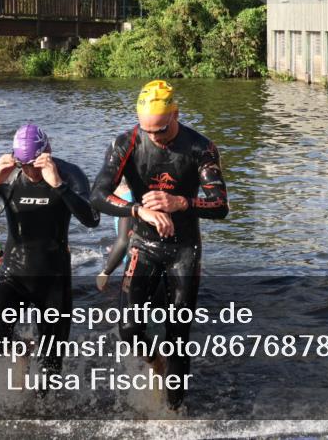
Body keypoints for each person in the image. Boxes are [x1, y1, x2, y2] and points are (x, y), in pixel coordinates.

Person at [90, 80, 229, 410]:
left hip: (184, 250)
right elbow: (97, 195)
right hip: (143, 244)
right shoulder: (127, 143)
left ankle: (173, 414)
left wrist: (180, 202)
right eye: (148, 130)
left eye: (161, 130)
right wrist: (138, 210)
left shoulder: (201, 148)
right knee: (128, 328)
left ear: (176, 115)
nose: (155, 137)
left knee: (178, 336)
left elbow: (221, 205)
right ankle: (156, 364)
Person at [0, 123, 98, 380]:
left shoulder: (68, 173)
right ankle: (21, 350)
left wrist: (58, 185)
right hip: (13, 272)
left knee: (51, 366)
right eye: (24, 165)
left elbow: (92, 219)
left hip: (54, 278)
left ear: (48, 150)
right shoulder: (6, 173)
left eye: (35, 163)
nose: (31, 171)